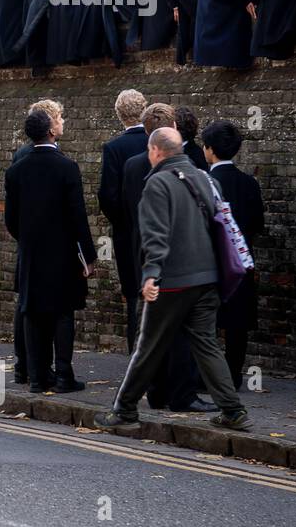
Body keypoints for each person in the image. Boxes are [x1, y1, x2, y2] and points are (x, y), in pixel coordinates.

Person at [95, 128, 250, 431]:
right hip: (208, 278)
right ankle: (233, 411)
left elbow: (156, 235)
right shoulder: (208, 179)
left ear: (155, 150)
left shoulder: (157, 183)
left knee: (148, 346)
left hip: (172, 279)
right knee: (207, 345)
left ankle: (124, 411)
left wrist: (151, 274)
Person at [4, 108, 94, 393]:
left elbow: (11, 219)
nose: (62, 121)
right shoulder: (67, 167)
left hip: (31, 251)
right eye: (59, 120)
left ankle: (37, 377)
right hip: (63, 252)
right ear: (51, 131)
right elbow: (78, 217)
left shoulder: (16, 170)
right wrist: (88, 257)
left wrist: (29, 239)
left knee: (33, 312)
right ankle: (65, 376)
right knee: (62, 312)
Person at [202, 120, 265, 388]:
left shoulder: (204, 182)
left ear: (209, 149)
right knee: (237, 323)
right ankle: (234, 375)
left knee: (206, 322)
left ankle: (208, 377)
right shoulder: (248, 183)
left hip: (209, 263)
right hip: (241, 261)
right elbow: (257, 223)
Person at [8, 98, 65, 384]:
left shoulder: (20, 156)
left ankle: (26, 365)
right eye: (58, 118)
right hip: (43, 246)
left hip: (28, 244)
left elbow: (12, 213)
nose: (61, 123)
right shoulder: (47, 158)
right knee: (37, 307)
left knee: (26, 304)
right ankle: (37, 366)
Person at [97, 89, 149, 350]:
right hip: (160, 229)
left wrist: (123, 221)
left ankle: (136, 354)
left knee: (133, 293)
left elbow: (107, 195)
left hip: (128, 233)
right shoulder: (157, 141)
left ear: (119, 115)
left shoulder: (114, 148)